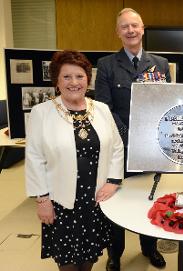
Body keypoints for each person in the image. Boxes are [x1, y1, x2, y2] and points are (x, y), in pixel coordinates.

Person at [25, 50, 124, 271]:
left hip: (95, 200)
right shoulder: (42, 113)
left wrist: (113, 181)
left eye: (79, 76)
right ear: (57, 81)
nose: (74, 82)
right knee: (67, 262)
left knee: (89, 256)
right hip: (61, 202)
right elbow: (34, 159)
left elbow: (116, 147)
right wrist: (42, 201)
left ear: (88, 79)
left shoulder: (101, 109)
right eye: (66, 77)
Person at [95, 8, 171, 271]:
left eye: (135, 25)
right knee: (117, 200)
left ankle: (149, 248)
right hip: (120, 148)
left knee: (150, 198)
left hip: (152, 149)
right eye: (125, 27)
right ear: (118, 32)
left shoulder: (160, 64)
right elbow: (104, 108)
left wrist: (150, 139)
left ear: (142, 28)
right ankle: (115, 253)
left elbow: (167, 107)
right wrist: (130, 138)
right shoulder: (106, 65)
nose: (130, 30)